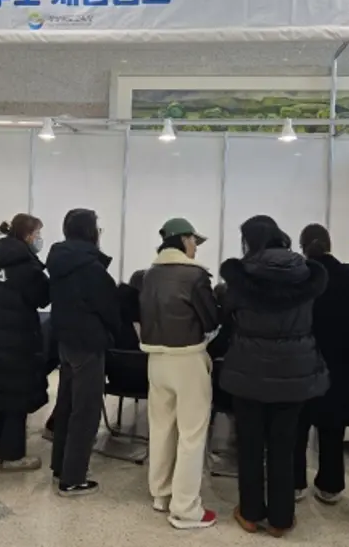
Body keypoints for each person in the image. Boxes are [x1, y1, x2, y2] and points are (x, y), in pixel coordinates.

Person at [219, 215, 328, 537]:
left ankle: (251, 513)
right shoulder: (305, 274)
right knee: (285, 446)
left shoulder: (241, 276)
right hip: (294, 371)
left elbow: (227, 318)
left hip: (248, 370)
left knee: (250, 445)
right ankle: (281, 519)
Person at [140, 218, 219, 530]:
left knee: (161, 427)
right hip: (188, 359)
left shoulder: (149, 274)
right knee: (191, 434)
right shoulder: (195, 275)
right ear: (183, 240)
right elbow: (211, 320)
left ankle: (161, 494)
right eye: (194, 241)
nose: (195, 247)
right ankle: (186, 509)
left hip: (155, 360)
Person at [46, 208, 121, 497]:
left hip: (65, 341)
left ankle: (60, 467)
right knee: (86, 411)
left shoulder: (59, 263)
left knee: (66, 405)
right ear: (90, 231)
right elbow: (109, 309)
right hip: (89, 344)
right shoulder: (91, 269)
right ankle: (73, 478)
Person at [0, 214, 50, 472]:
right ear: (28, 236)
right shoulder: (26, 268)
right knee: (16, 399)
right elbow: (42, 298)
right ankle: (12, 455)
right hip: (17, 340)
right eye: (38, 234)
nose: (39, 239)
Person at [293, 224, 349, 504]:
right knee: (332, 426)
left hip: (304, 355)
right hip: (338, 357)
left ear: (302, 246)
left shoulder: (300, 275)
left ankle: (295, 483)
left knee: (297, 425)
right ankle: (331, 486)